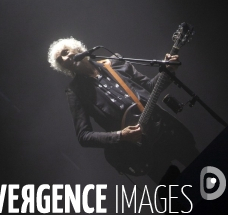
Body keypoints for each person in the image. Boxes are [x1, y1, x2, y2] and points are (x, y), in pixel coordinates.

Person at [48, 37, 198, 182]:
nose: (65, 59)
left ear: (77, 48)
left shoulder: (114, 63)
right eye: (60, 61)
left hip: (166, 129)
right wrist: (121, 135)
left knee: (205, 172)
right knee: (176, 197)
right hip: (142, 149)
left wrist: (169, 70)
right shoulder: (75, 91)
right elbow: (84, 136)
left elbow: (151, 87)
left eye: (65, 52)